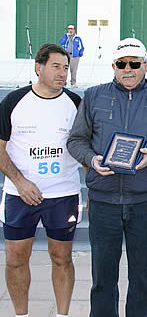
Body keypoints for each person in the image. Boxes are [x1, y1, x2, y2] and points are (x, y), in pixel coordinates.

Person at [66, 37, 147, 317]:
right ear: (113, 66)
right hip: (103, 201)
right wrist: (92, 160)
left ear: (146, 66)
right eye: (122, 64)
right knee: (103, 279)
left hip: (144, 202)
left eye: (134, 64)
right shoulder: (94, 96)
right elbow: (76, 141)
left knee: (142, 279)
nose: (128, 69)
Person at [0, 43, 82, 317]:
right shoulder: (14, 101)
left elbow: (86, 148)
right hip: (19, 195)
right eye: (56, 66)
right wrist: (20, 182)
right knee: (15, 259)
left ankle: (62, 315)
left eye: (66, 68)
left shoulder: (75, 103)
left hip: (63, 195)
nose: (62, 73)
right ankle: (21, 315)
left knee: (61, 259)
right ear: (39, 67)